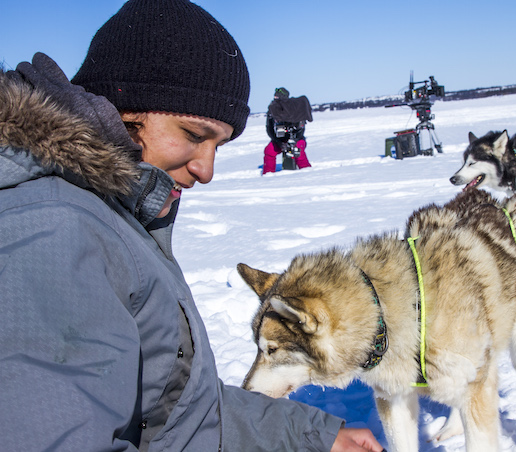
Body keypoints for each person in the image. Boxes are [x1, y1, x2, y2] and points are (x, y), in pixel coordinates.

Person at [0, 1, 383, 451]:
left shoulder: (112, 217)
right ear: (123, 106)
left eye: (219, 145)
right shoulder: (53, 230)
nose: (206, 170)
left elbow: (172, 412)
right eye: (194, 135)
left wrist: (310, 436)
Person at [263, 87, 313, 174]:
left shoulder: (295, 109)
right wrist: (279, 142)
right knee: (269, 151)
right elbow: (269, 128)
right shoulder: (272, 111)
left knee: (299, 153)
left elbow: (301, 128)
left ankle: (308, 173)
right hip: (280, 140)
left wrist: (294, 140)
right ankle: (268, 175)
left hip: (297, 138)